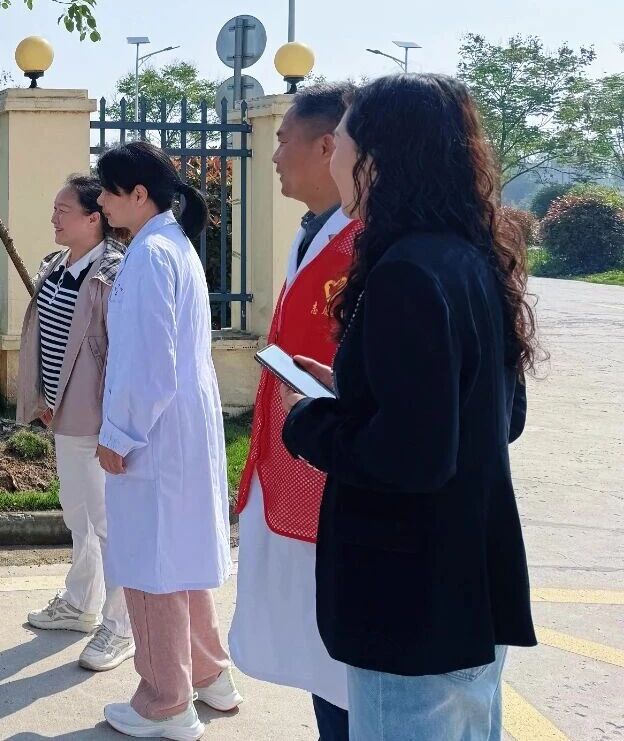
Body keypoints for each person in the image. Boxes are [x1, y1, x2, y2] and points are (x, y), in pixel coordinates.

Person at [281, 73, 538, 741]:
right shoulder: (471, 258)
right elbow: (497, 416)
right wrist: (360, 392)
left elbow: (411, 457)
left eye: (342, 141)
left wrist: (309, 420)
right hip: (469, 587)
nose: (332, 157)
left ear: (377, 157)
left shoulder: (405, 270)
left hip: (411, 599)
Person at [93, 142, 242, 740]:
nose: (101, 203)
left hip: (153, 430)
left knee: (151, 565)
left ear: (138, 195)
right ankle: (210, 676)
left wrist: (118, 433)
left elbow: (148, 361)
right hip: (180, 426)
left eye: (108, 192)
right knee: (181, 556)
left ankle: (164, 703)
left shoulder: (151, 254)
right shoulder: (171, 245)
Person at [228, 83, 357, 740]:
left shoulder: (367, 243)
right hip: (298, 456)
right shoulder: (314, 232)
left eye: (283, 140)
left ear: (329, 146)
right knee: (317, 650)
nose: (274, 155)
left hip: (336, 472)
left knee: (342, 662)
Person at [17, 174, 133, 672]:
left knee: (106, 521)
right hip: (62, 411)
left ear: (94, 219)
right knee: (77, 513)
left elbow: (121, 351)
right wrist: (45, 397)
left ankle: (120, 625)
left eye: (63, 211)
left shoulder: (114, 271)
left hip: (98, 416)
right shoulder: (56, 265)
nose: (54, 219)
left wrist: (116, 420)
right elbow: (46, 337)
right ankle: (81, 602)